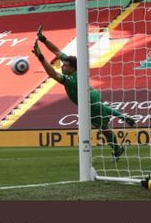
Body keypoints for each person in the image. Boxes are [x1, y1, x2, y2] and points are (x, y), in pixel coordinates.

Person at [34, 26, 136, 161]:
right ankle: (117, 146)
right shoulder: (74, 66)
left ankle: (95, 153)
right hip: (91, 95)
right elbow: (57, 51)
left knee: (100, 123)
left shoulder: (71, 80)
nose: (62, 66)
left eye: (65, 65)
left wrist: (41, 57)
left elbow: (52, 74)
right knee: (103, 127)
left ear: (71, 68)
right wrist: (43, 39)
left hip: (88, 101)